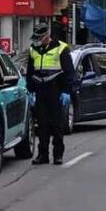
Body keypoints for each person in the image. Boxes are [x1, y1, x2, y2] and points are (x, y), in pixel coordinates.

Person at [27, 23, 76, 165]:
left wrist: (67, 91)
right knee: (42, 125)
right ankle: (43, 155)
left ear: (47, 36)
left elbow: (69, 72)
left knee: (57, 125)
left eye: (39, 37)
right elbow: (30, 72)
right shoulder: (33, 49)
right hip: (40, 91)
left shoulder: (61, 48)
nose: (37, 40)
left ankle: (58, 155)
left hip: (56, 90)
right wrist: (30, 91)